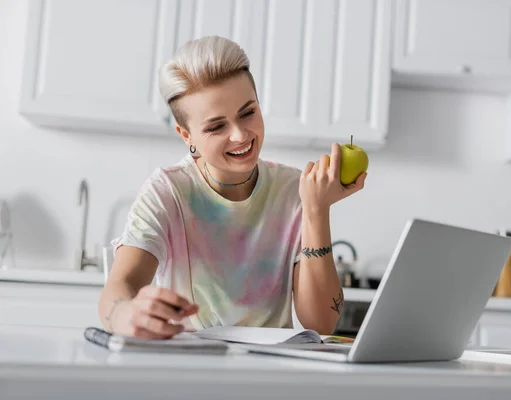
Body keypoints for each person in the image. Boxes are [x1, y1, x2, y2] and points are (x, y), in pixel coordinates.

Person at [98, 36, 367, 339]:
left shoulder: (294, 189)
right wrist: (123, 314)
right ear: (187, 136)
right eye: (216, 127)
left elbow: (320, 323)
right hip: (193, 365)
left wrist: (316, 209)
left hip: (269, 371)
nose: (240, 136)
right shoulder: (168, 191)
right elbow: (121, 286)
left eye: (248, 112)